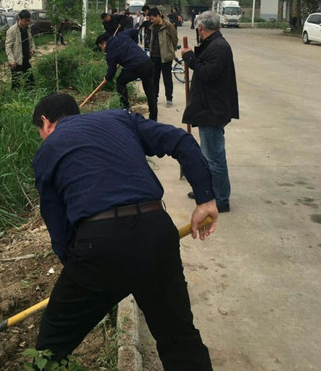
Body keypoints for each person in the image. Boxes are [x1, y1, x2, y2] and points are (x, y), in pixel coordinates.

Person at [32, 92, 218, 370]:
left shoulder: (48, 150)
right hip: (156, 233)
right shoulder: (120, 119)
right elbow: (181, 140)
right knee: (180, 340)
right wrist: (205, 199)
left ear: (46, 122)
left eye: (40, 132)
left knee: (51, 343)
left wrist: (81, 275)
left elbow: (58, 228)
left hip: (99, 245)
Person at [181, 10, 239, 213]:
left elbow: (207, 73)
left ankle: (221, 199)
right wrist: (192, 56)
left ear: (200, 27)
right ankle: (208, 192)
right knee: (208, 156)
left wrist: (189, 57)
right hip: (208, 107)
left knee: (214, 158)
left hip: (213, 110)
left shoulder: (219, 47)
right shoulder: (213, 43)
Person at [96, 29, 157, 120]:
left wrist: (107, 78)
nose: (102, 49)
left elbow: (112, 70)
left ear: (104, 43)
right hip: (147, 62)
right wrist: (134, 44)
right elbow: (134, 31)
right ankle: (153, 118)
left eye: (101, 47)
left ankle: (125, 108)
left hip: (135, 66)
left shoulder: (110, 53)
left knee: (120, 81)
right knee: (150, 91)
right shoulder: (122, 35)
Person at [149, 7, 178, 107]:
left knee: (167, 79)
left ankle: (169, 99)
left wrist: (170, 50)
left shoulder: (168, 26)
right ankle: (154, 98)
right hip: (154, 56)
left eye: (152, 18)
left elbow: (174, 39)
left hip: (166, 57)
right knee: (154, 78)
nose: (151, 21)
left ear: (158, 16)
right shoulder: (152, 27)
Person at [5, 9, 35, 89]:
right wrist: (11, 60)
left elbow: (31, 41)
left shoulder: (27, 29)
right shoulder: (12, 30)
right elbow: (8, 47)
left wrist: (32, 49)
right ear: (20, 19)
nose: (27, 23)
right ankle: (14, 96)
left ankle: (30, 94)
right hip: (16, 61)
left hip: (26, 59)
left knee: (30, 82)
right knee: (16, 84)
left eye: (29, 21)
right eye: (26, 21)